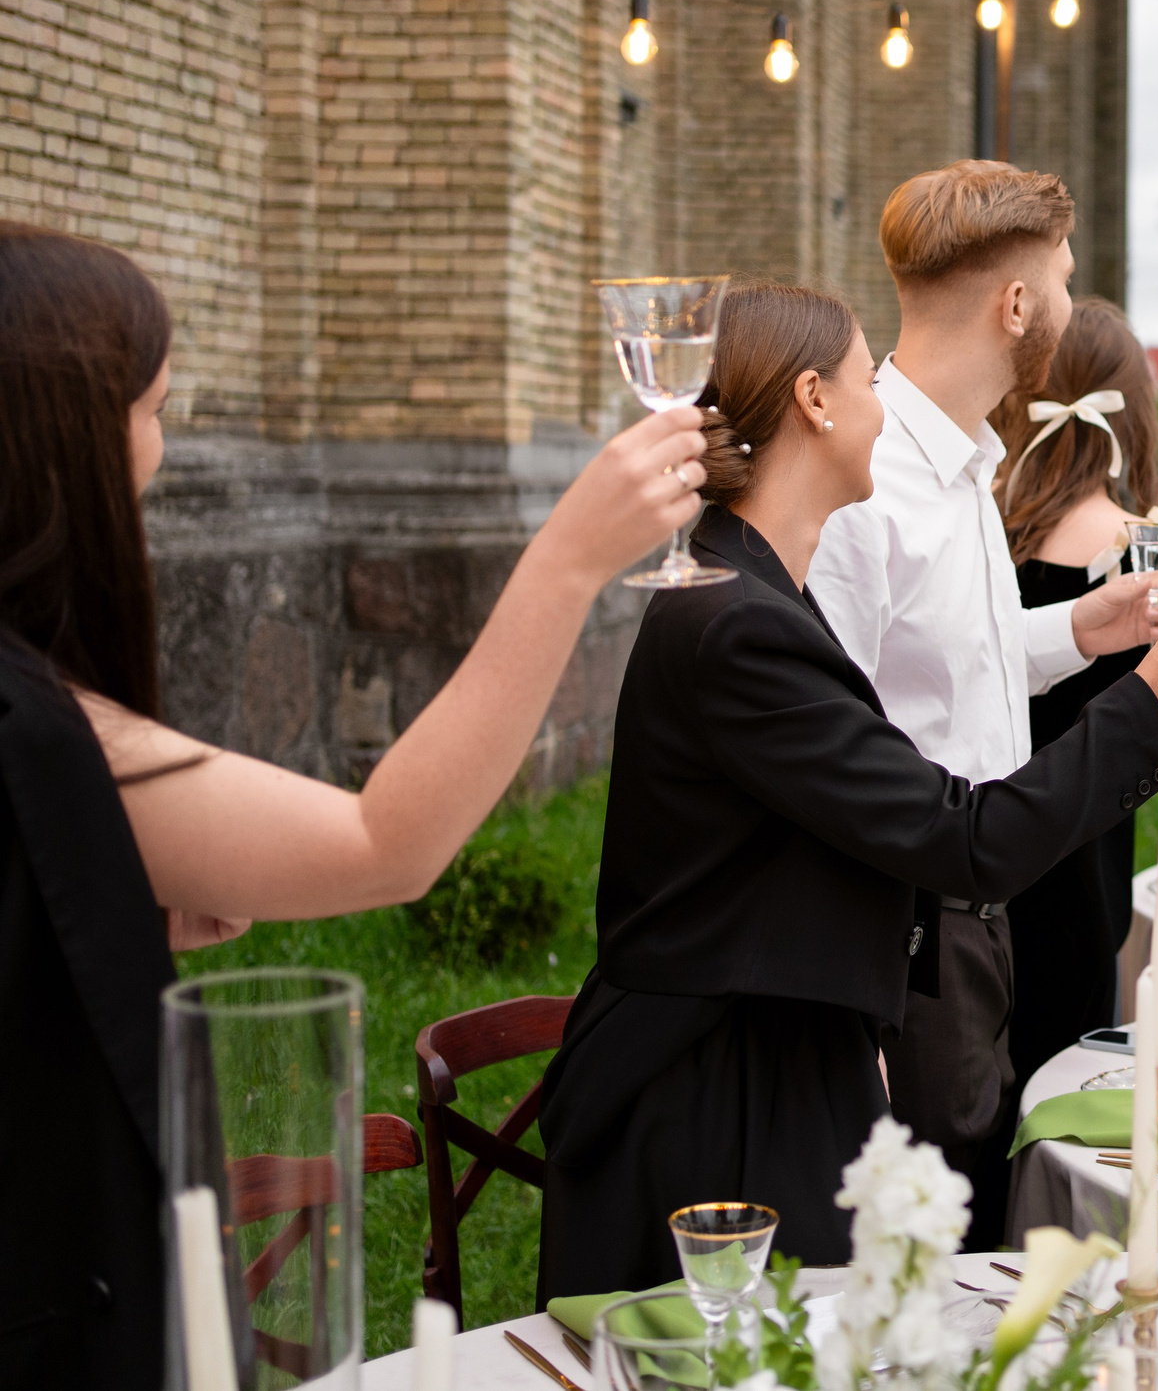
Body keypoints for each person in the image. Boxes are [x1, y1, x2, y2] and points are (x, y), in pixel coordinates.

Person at [0, 225, 707, 1388]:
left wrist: (94, 903)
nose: (163, 451)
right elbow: (388, 844)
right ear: (66, 442)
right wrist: (567, 559)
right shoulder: (37, 727)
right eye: (155, 408)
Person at [537, 281, 1158, 1294]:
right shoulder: (739, 623)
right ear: (815, 400)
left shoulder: (757, 588)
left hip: (783, 1046)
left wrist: (1097, 630)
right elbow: (967, 838)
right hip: (708, 1096)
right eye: (865, 378)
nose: (884, 403)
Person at [804, 161, 1158, 1250]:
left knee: (976, 1185)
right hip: (907, 925)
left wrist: (1091, 625)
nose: (1070, 303)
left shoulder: (968, 460)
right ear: (1015, 305)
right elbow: (827, 730)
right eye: (1060, 279)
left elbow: (957, 661)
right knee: (928, 1231)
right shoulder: (867, 481)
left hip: (984, 900)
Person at [993, 297, 1158, 1091]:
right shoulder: (1140, 549)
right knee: (1057, 1088)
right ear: (1136, 412)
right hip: (1076, 876)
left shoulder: (987, 529)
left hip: (971, 856)